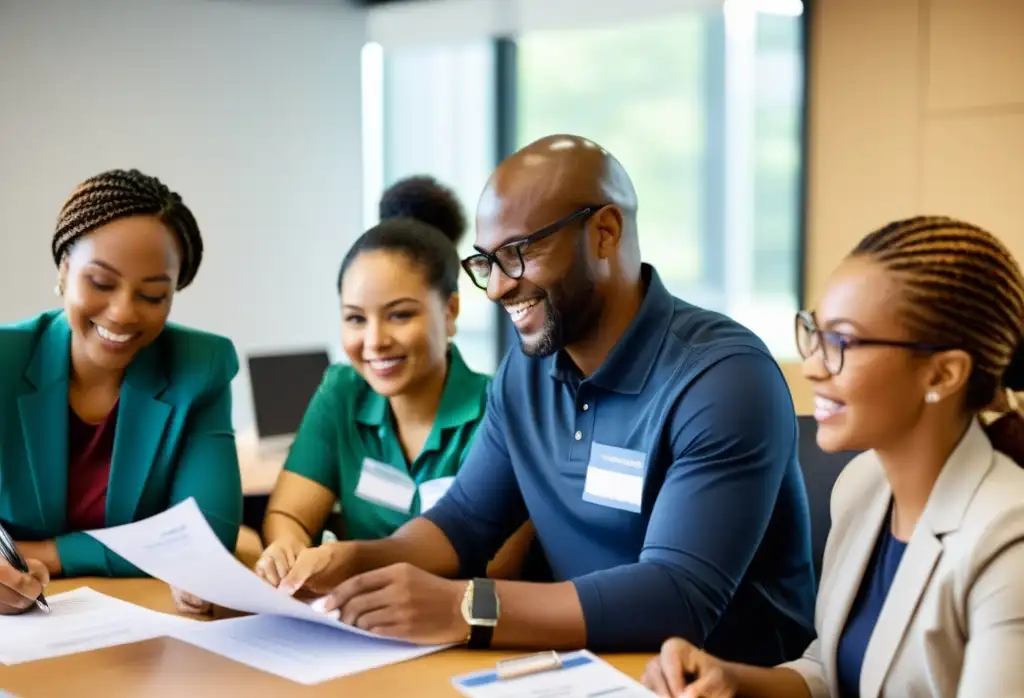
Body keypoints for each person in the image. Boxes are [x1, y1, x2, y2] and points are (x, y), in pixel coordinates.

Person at [273, 135, 816, 661]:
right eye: (486, 261)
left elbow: (676, 597)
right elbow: (463, 521)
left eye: (518, 253)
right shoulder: (527, 370)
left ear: (604, 233)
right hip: (587, 670)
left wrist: (466, 606)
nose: (496, 288)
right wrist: (355, 561)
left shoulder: (724, 378)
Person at [635, 216, 1024, 698]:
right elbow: (835, 680)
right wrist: (729, 677)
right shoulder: (862, 487)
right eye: (814, 333)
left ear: (942, 374)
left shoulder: (1008, 537)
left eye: (841, 341)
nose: (813, 366)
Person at [0, 170, 242, 612]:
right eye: (101, 283)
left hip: (138, 627)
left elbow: (207, 538)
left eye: (152, 295)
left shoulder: (200, 366)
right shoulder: (5, 359)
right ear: (65, 270)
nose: (123, 312)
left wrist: (44, 553)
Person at [255, 176, 511, 585]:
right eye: (356, 318)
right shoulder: (342, 391)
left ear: (450, 312)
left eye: (400, 315)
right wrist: (287, 545)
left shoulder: (497, 406)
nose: (374, 341)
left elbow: (496, 563)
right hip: (357, 627)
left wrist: (351, 561)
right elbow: (288, 514)